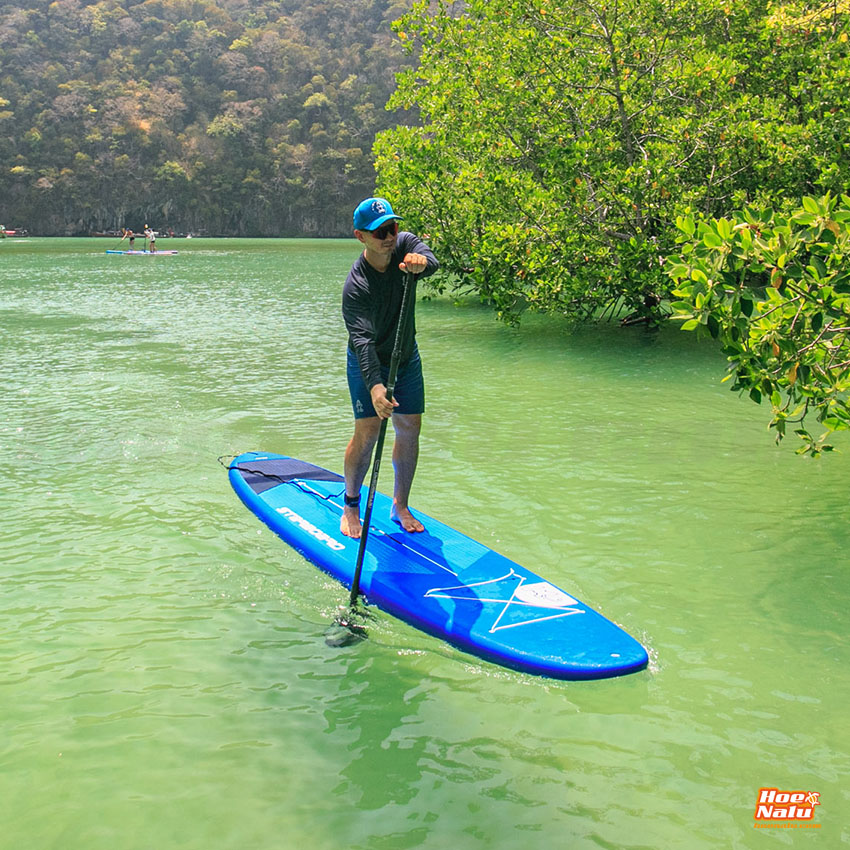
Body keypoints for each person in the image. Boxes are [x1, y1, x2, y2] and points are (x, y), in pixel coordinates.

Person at [341, 197, 439, 539]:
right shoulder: (356, 286)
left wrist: (421, 263)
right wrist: (376, 387)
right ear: (361, 236)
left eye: (392, 228)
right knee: (368, 432)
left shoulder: (405, 244)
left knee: (409, 427)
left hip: (406, 356)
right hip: (368, 362)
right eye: (379, 232)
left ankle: (400, 505)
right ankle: (351, 505)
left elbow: (431, 261)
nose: (388, 236)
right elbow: (363, 342)